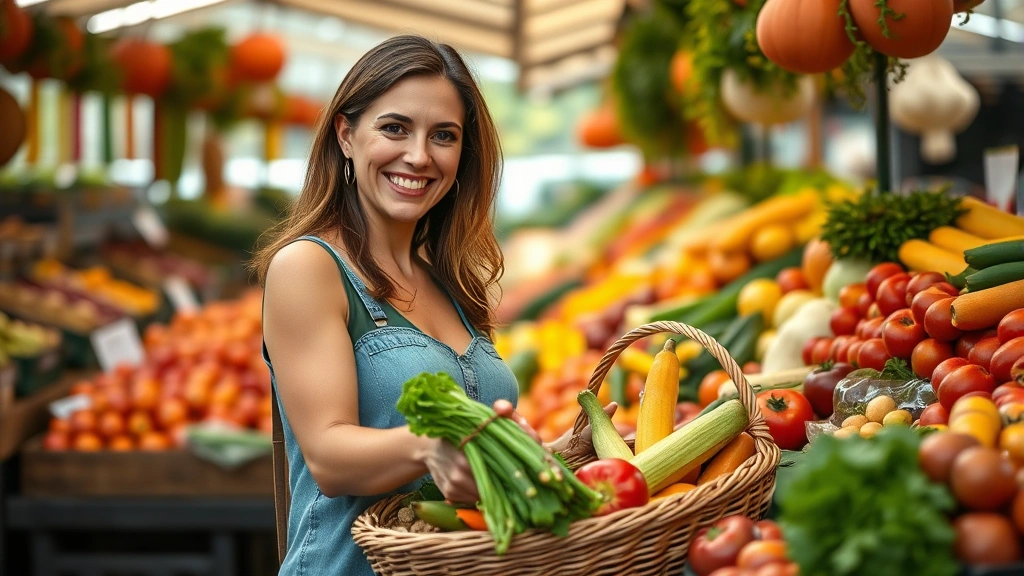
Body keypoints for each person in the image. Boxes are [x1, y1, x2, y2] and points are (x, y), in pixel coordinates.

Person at [251, 35, 611, 575]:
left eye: (443, 135)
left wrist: (560, 452)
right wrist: (428, 445)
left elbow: (467, 459)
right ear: (346, 135)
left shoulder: (450, 282)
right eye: (394, 128)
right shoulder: (309, 268)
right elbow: (327, 457)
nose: (419, 156)